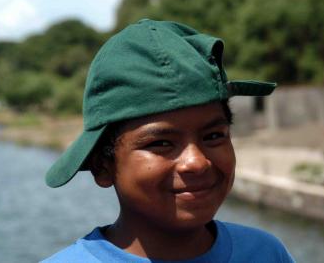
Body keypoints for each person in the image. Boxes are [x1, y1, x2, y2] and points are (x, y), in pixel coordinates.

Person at [42, 19, 295, 263]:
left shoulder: (266, 253)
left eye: (214, 136)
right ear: (102, 166)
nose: (196, 162)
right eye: (161, 143)